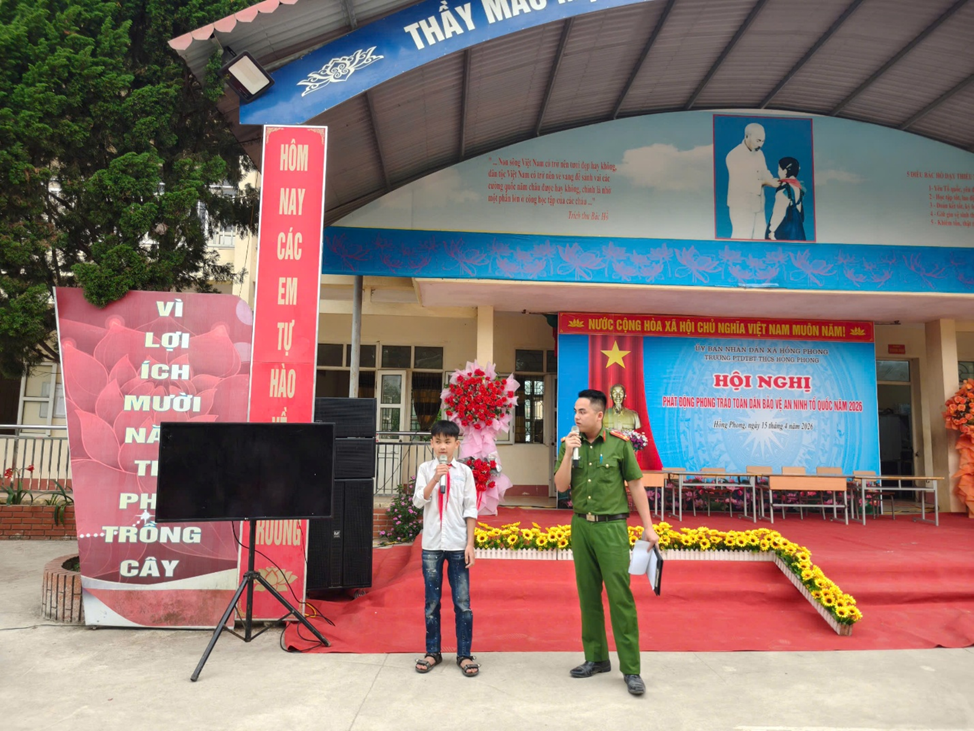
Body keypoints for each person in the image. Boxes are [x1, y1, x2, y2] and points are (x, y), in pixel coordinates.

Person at [554, 389, 659, 696]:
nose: (576, 416)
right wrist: (568, 453)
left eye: (583, 411)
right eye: (575, 411)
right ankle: (597, 658)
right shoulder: (569, 443)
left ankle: (631, 669)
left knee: (619, 597)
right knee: (588, 596)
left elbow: (636, 485)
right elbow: (561, 485)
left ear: (599, 415)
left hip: (611, 527)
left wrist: (649, 528)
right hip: (581, 526)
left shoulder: (619, 444)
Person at [412, 420, 480, 677]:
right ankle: (433, 652)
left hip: (457, 544)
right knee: (432, 602)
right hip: (432, 545)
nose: (443, 446)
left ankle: (464, 654)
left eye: (448, 442)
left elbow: (470, 509)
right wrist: (435, 478)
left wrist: (470, 543)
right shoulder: (425, 469)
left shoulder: (465, 472)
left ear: (456, 444)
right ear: (431, 443)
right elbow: (418, 501)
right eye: (438, 441)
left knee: (463, 603)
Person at [725, 122, 778, 239]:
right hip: (741, 205)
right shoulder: (734, 155)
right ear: (747, 136)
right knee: (742, 236)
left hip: (758, 204)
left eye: (763, 141)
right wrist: (766, 183)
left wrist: (772, 179)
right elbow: (741, 182)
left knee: (760, 236)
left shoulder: (759, 153)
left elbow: (764, 171)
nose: (761, 144)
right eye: (758, 140)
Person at [766, 156, 806, 241]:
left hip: (784, 230)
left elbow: (779, 213)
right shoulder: (798, 187)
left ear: (784, 171)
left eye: (779, 169)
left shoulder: (784, 190)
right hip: (797, 228)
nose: (778, 172)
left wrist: (772, 231)